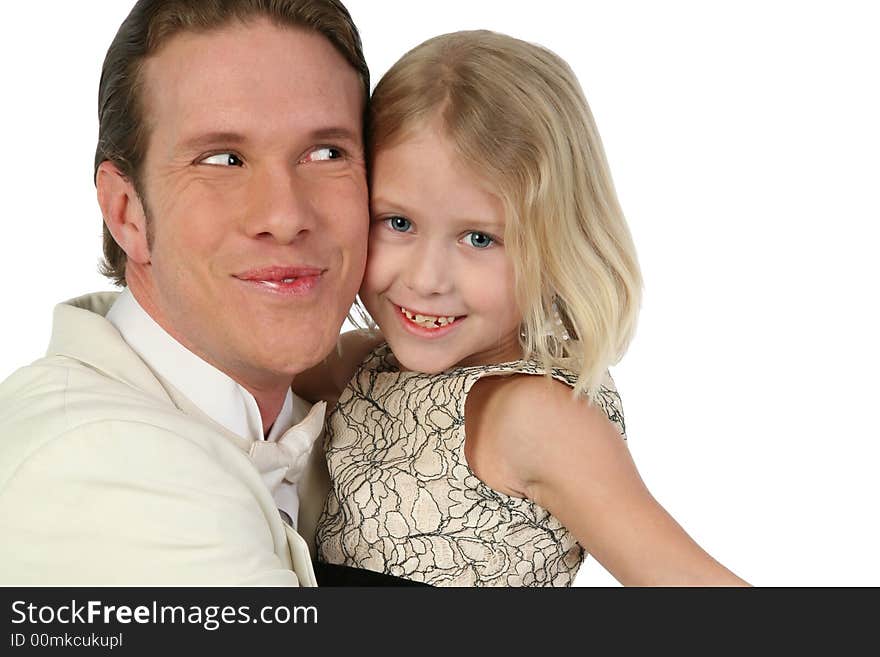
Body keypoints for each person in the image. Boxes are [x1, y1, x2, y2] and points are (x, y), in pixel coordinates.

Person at [295, 30, 750, 586]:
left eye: (480, 239)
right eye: (398, 222)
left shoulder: (537, 417)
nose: (426, 279)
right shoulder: (365, 368)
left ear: (556, 243)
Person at [0, 0, 369, 585]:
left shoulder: (367, 422)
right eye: (223, 159)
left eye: (326, 153)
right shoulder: (96, 469)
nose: (285, 214)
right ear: (127, 214)